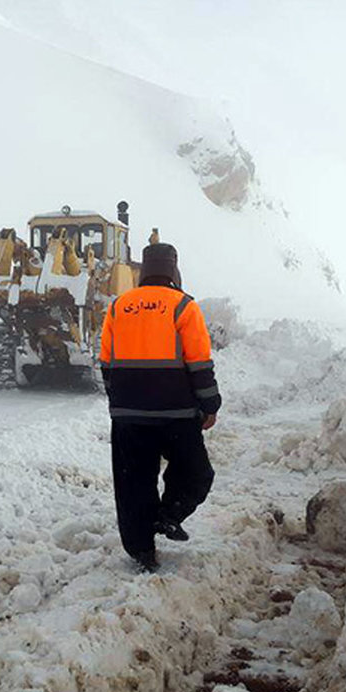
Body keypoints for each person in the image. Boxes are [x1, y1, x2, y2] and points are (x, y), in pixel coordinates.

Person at [99, 242, 221, 573]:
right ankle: (168, 516)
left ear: (143, 270)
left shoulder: (118, 307)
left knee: (133, 483)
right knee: (196, 473)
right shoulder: (184, 306)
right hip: (176, 415)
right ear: (173, 269)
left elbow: (106, 364)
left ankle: (141, 552)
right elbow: (199, 364)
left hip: (128, 417)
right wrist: (210, 403)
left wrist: (119, 402)